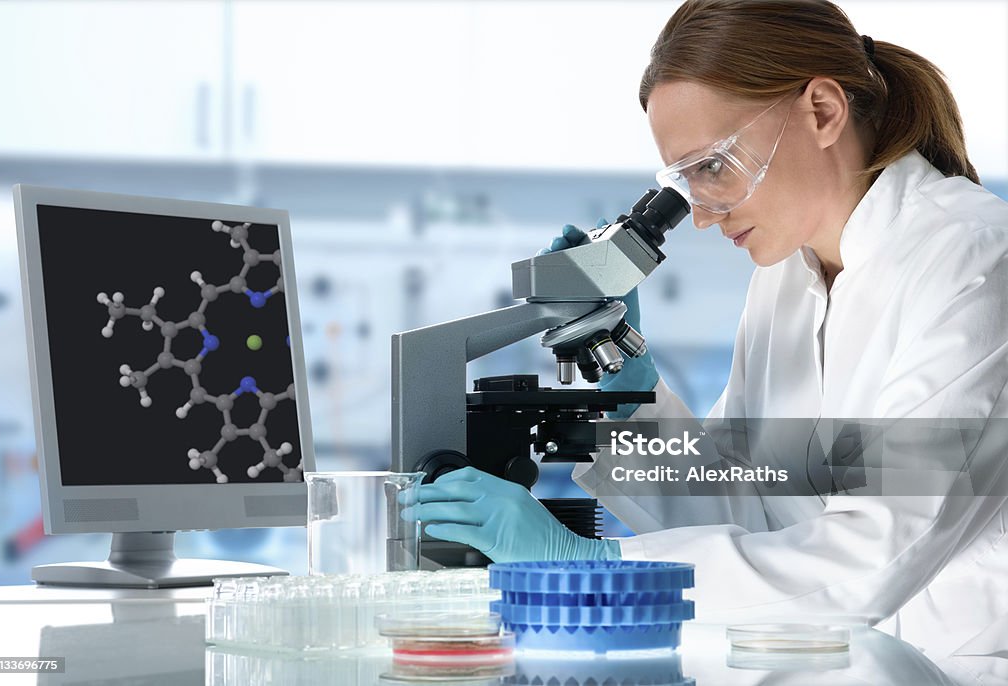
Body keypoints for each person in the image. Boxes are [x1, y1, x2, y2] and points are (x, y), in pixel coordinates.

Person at [404, 0, 1008, 657]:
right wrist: (631, 405)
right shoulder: (787, 277)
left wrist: (592, 570)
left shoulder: (974, 259)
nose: (701, 216)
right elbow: (749, 514)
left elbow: (875, 553)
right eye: (685, 182)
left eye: (713, 166)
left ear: (823, 111)